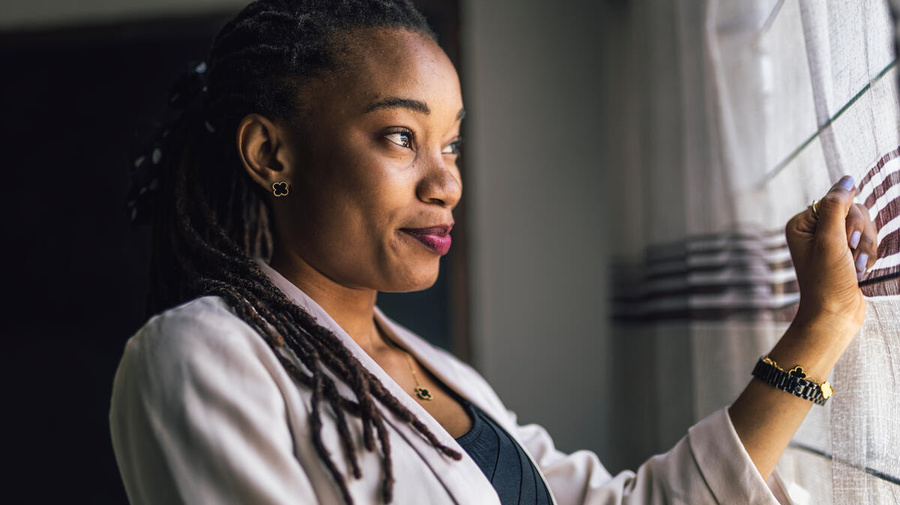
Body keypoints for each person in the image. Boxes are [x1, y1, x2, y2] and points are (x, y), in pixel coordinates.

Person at [109, 0, 880, 503]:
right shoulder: (198, 355)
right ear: (271, 154)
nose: (446, 180)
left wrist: (822, 327)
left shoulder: (445, 375)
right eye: (401, 137)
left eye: (452, 143)